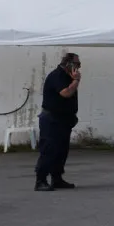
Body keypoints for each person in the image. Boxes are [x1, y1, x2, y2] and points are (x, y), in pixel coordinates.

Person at [35, 52, 81, 191]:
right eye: (77, 64)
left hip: (63, 120)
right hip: (52, 120)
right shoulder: (58, 76)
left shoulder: (67, 76)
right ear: (69, 64)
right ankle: (40, 180)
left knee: (61, 151)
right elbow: (66, 93)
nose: (79, 68)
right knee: (49, 150)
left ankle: (57, 178)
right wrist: (76, 81)